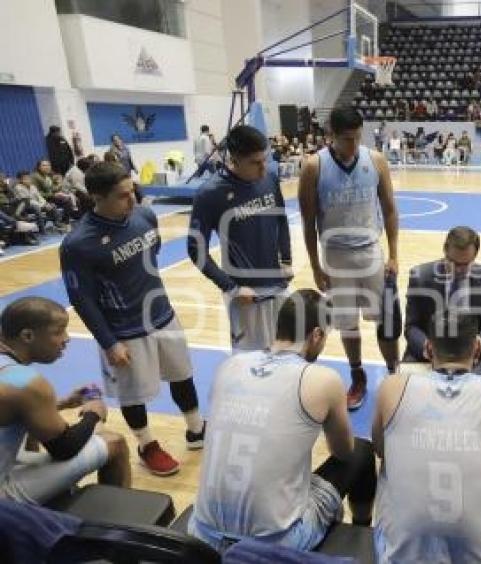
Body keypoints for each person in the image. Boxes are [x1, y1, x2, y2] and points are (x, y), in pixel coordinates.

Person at [190, 289, 377, 552]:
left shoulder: (230, 366)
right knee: (362, 452)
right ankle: (360, 537)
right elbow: (343, 451)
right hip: (272, 545)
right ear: (316, 335)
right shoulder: (323, 379)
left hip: (202, 535)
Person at [61, 162, 205, 476]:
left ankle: (196, 429)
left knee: (183, 375)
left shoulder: (144, 216)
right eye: (122, 195)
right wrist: (109, 342)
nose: (132, 199)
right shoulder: (77, 244)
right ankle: (146, 445)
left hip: (163, 315)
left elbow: (150, 260)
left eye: (133, 191)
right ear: (97, 197)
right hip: (124, 331)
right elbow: (80, 298)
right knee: (132, 394)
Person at [372, 312, 481, 563]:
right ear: (477, 347)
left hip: (398, 558)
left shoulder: (393, 386)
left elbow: (380, 450)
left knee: (388, 463)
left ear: (429, 348)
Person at [298, 106, 400, 411]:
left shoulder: (376, 160)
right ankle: (358, 377)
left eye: (357, 138)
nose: (353, 145)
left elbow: (391, 209)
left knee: (385, 320)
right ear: (330, 135)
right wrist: (315, 265)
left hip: (370, 251)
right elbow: (308, 222)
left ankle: (394, 374)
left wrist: (394, 254)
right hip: (336, 255)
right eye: (346, 139)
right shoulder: (313, 166)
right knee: (347, 323)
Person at [0, 297, 131, 503]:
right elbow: (65, 448)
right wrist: (93, 413)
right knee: (115, 443)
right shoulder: (26, 382)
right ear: (27, 335)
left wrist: (61, 403)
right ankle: (118, 529)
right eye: (58, 331)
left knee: (33, 429)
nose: (66, 338)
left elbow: (12, 407)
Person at [188, 125, 293, 352]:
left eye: (265, 159)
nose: (264, 168)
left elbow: (281, 220)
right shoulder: (210, 193)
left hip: (278, 284)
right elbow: (196, 250)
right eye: (255, 163)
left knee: (285, 354)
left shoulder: (269, 179)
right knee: (249, 363)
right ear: (234, 159)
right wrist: (231, 287)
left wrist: (286, 260)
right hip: (245, 293)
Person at [403, 226, 481, 375]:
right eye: (452, 262)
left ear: (475, 256)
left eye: (465, 264)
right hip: (431, 357)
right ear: (445, 251)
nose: (458, 269)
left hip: (474, 358)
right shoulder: (420, 277)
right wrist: (425, 345)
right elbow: (411, 326)